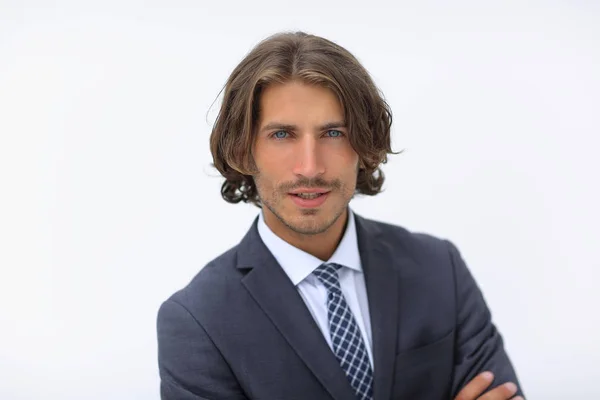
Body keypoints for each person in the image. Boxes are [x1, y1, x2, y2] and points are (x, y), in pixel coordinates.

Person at [156, 31, 524, 400]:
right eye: (282, 134)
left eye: (333, 132)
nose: (310, 167)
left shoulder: (439, 269)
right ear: (243, 149)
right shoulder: (197, 321)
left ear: (364, 144)